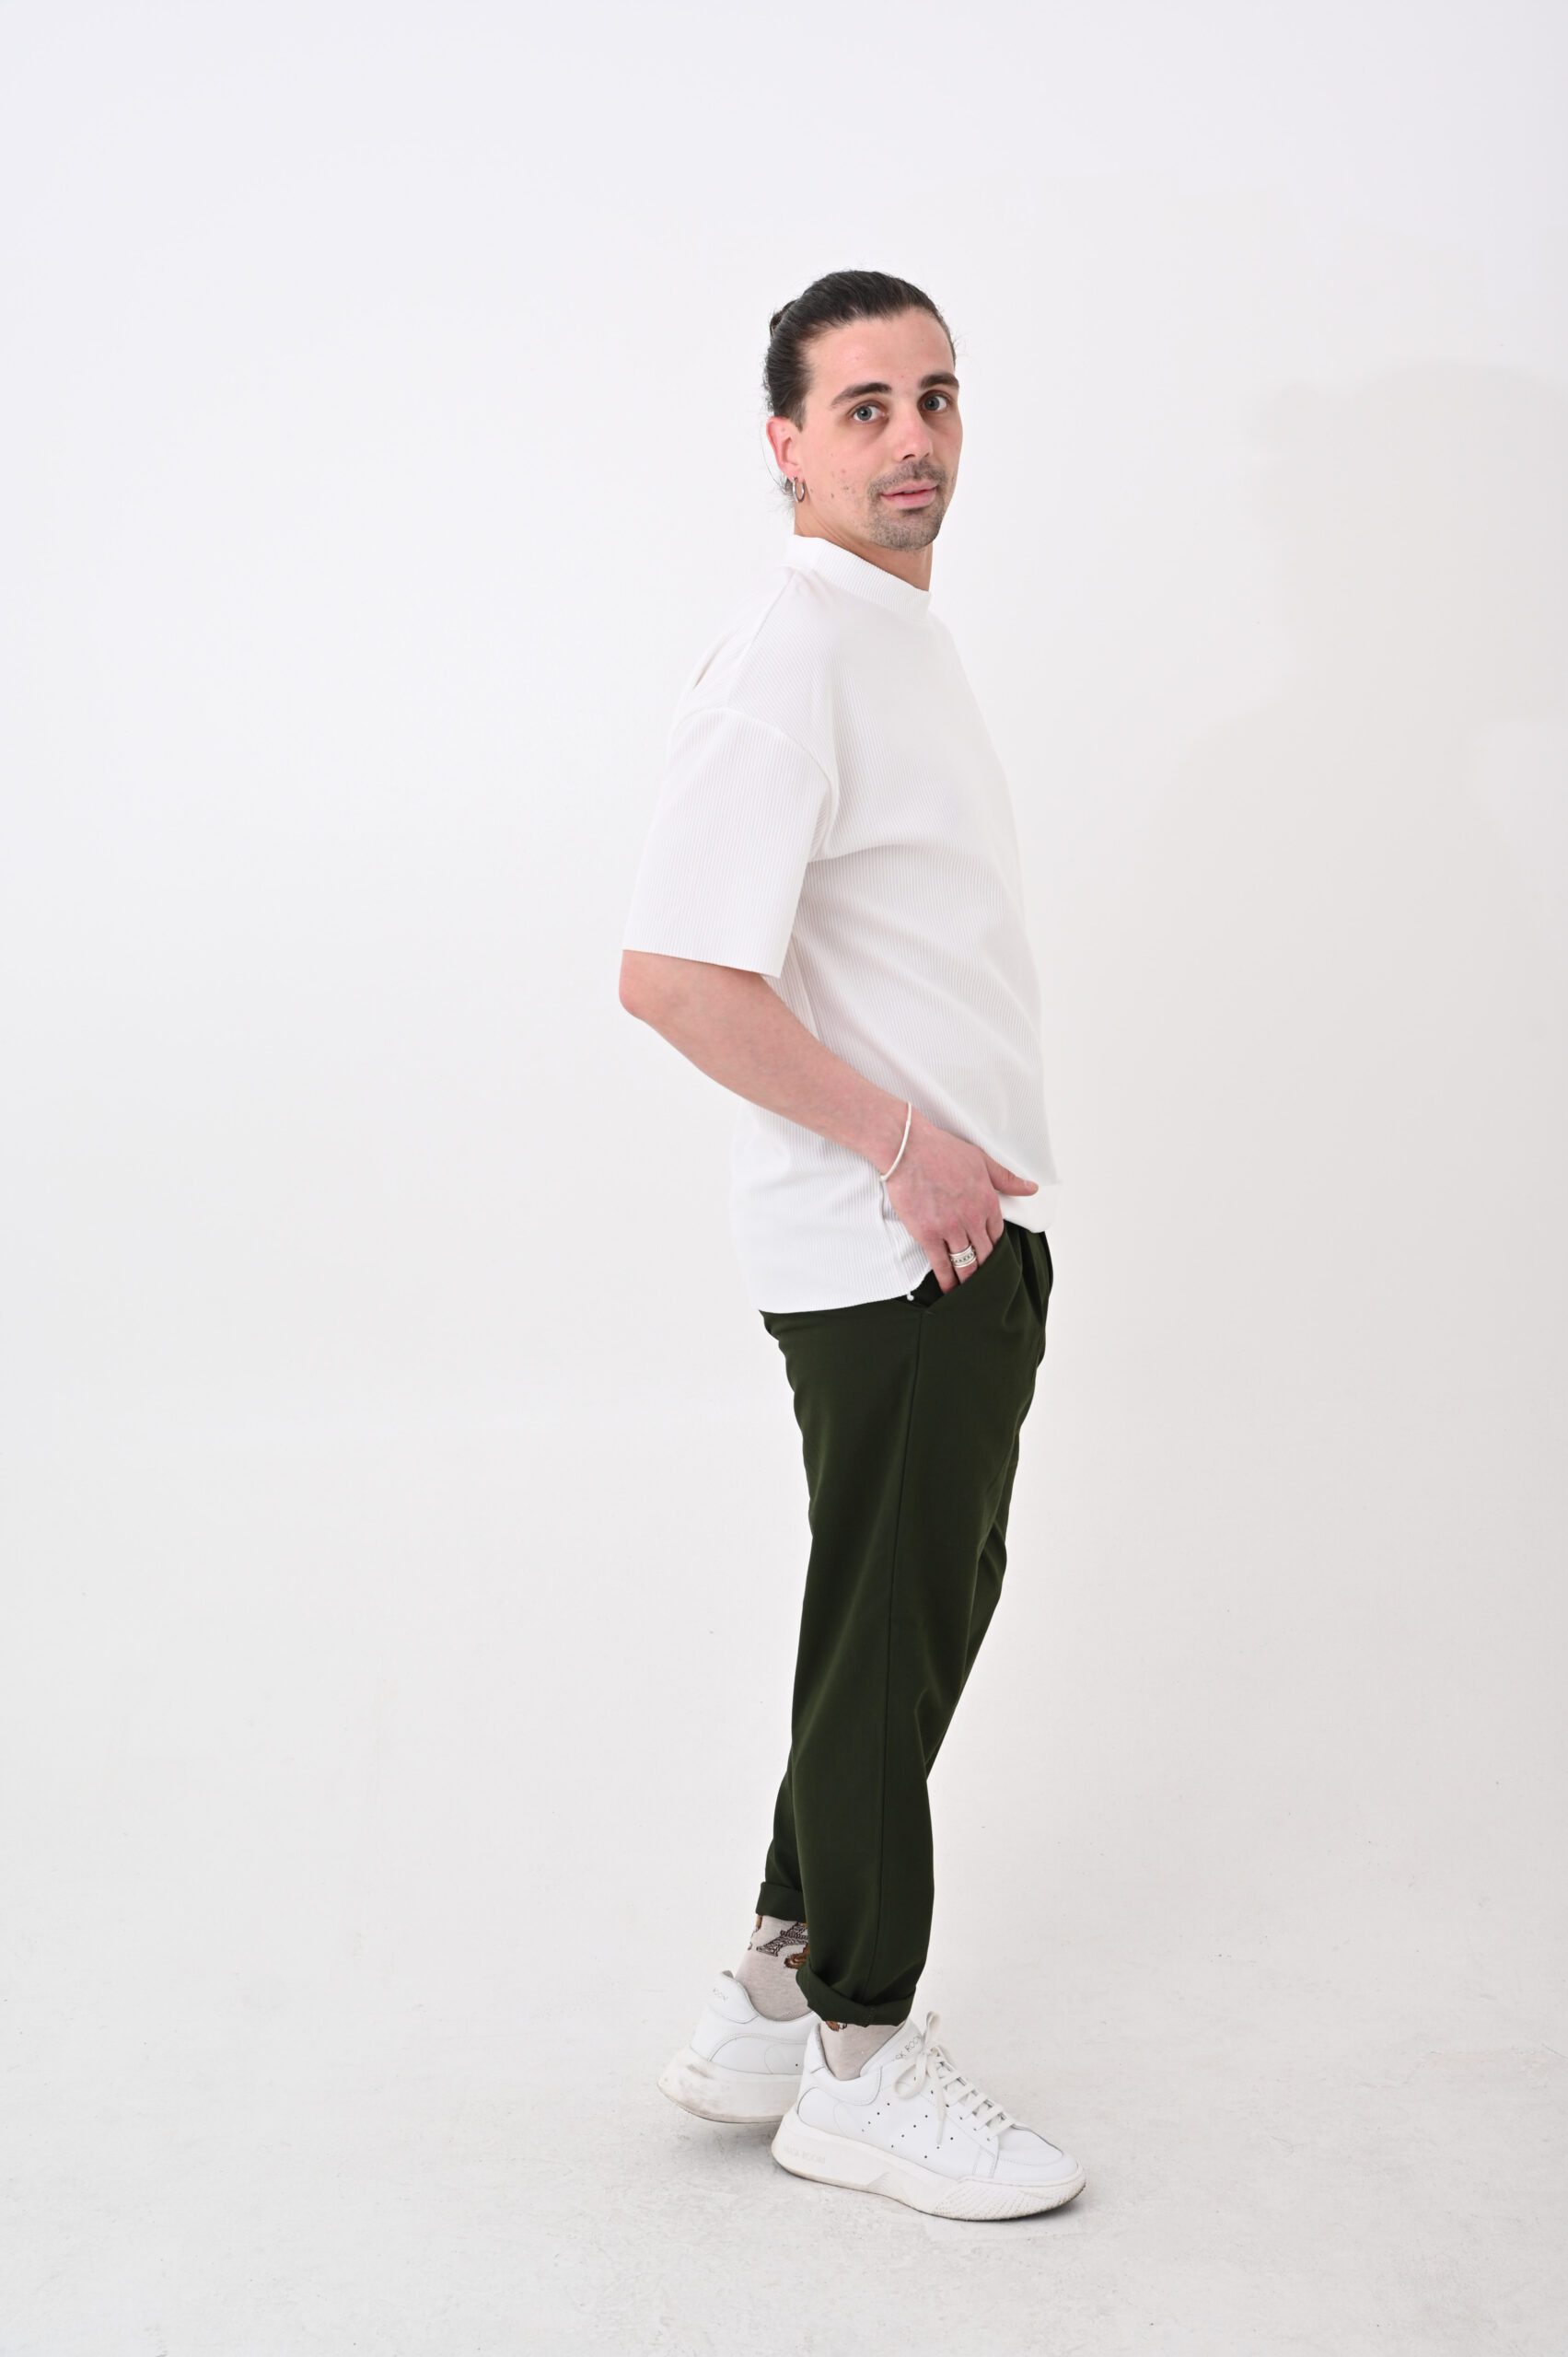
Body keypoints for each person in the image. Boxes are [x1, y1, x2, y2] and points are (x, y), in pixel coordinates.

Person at [618, 269, 1086, 2221]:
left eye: (937, 398)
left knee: (902, 1618)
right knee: (891, 1642)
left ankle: (769, 1990)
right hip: (892, 1249)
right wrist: (909, 1152)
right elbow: (675, 976)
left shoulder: (893, 635)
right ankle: (865, 2057)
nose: (913, 439)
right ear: (786, 443)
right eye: (867, 407)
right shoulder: (795, 647)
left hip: (954, 1246)